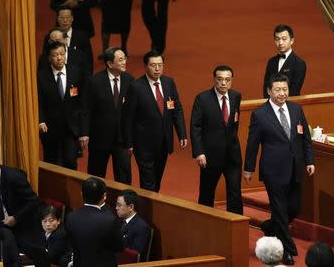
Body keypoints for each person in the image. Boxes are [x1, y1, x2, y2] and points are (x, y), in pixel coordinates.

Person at [244, 74, 315, 265]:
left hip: (295, 168)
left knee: (295, 208)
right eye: (278, 90)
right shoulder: (260, 114)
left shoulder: (296, 109)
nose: (282, 93)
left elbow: (305, 138)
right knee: (280, 210)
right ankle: (287, 250)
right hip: (273, 170)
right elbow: (253, 144)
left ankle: (270, 225)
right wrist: (248, 168)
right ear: (269, 91)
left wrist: (309, 160)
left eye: (285, 89)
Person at [122, 50, 187, 192]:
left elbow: (176, 109)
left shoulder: (169, 83)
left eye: (160, 65)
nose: (157, 69)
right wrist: (129, 143)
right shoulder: (136, 86)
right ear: (145, 66)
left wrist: (181, 133)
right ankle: (147, 212)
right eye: (153, 65)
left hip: (163, 142)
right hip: (143, 144)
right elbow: (128, 117)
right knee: (148, 182)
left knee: (157, 180)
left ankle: (152, 206)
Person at [190, 65, 243, 214]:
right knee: (207, 193)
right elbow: (195, 127)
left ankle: (236, 224)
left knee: (235, 193)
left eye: (227, 80)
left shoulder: (236, 96)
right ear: (214, 80)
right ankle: (204, 223)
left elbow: (234, 124)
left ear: (231, 80)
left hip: (232, 155)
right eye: (220, 79)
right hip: (210, 156)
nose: (223, 83)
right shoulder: (203, 98)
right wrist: (199, 152)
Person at [85, 47, 134, 184]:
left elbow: (133, 112)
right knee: (96, 175)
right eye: (120, 59)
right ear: (110, 64)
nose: (124, 62)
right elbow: (87, 109)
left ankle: (124, 204)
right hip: (100, 138)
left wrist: (132, 138)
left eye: (125, 58)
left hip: (122, 139)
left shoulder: (130, 80)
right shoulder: (95, 81)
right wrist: (84, 133)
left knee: (124, 177)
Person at [37, 41, 87, 170]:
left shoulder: (76, 72)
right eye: (55, 55)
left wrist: (83, 131)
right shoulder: (41, 76)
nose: (59, 58)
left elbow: (82, 103)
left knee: (71, 162)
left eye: (62, 54)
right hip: (50, 128)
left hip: (71, 128)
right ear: (49, 58)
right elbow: (39, 101)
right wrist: (40, 120)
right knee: (52, 163)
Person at [0, 152, 40, 250]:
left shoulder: (15, 177)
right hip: (3, 227)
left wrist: (16, 218)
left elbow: (34, 201)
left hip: (24, 227)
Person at [65, 177, 123, 267]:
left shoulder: (71, 217)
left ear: (81, 194)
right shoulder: (110, 220)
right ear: (103, 197)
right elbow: (119, 247)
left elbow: (71, 243)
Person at [263, 24, 306, 98]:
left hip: (290, 106)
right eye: (277, 39)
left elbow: (294, 91)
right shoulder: (271, 62)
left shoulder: (299, 63)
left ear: (292, 40)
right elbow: (266, 88)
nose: (280, 43)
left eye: (284, 39)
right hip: (270, 106)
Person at [56, 7, 93, 73]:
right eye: (62, 18)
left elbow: (88, 61)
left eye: (68, 17)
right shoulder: (52, 36)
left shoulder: (82, 37)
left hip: (77, 75)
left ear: (72, 19)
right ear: (58, 19)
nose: (65, 20)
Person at [116, 189, 151, 257]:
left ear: (131, 207)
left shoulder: (142, 227)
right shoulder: (118, 221)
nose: (116, 208)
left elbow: (135, 255)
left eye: (119, 205)